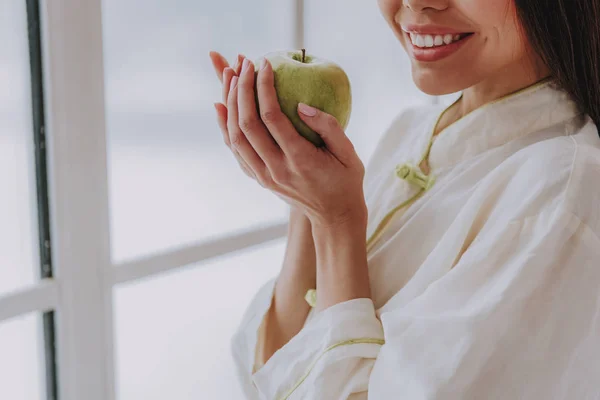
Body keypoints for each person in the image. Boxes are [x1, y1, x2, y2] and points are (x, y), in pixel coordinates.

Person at [209, 0, 600, 398]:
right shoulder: (407, 131)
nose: (415, 2)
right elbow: (271, 375)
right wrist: (303, 198)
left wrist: (335, 223)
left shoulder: (561, 196)